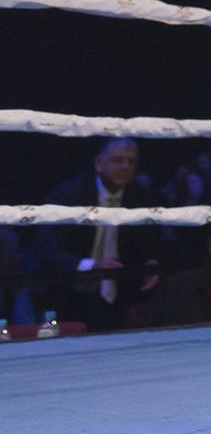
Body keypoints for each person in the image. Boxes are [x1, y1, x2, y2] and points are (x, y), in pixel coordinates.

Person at [31, 137, 166, 332]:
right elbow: (46, 248)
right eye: (117, 160)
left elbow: (152, 242)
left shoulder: (142, 197)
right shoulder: (69, 195)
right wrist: (91, 266)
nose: (125, 166)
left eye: (131, 161)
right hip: (63, 290)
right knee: (57, 341)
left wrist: (151, 265)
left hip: (118, 297)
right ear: (98, 163)